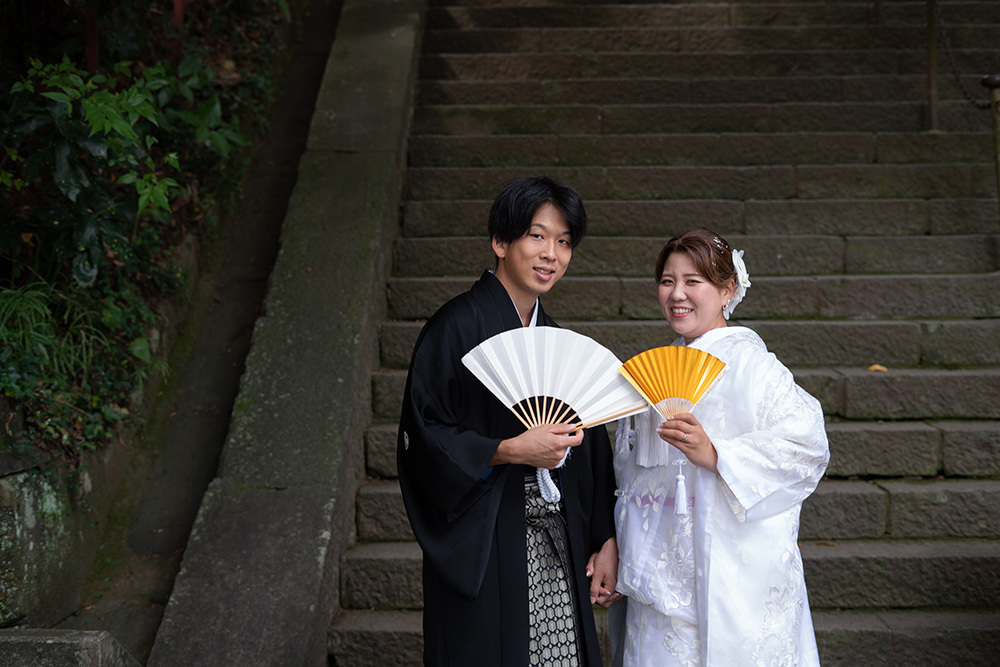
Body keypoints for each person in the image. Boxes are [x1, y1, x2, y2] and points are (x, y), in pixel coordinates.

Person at [397, 176, 620, 667]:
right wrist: (507, 450)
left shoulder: (555, 339)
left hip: (556, 544)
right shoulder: (455, 327)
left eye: (564, 242)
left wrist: (604, 537)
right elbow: (425, 433)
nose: (551, 254)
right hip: (487, 541)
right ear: (500, 242)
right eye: (537, 236)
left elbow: (592, 454)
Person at [611, 228, 830, 666]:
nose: (677, 294)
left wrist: (716, 455)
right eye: (667, 281)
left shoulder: (755, 367)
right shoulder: (657, 372)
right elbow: (629, 475)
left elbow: (807, 447)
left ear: (728, 289)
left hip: (730, 576)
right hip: (656, 576)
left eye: (693, 281)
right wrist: (615, 545)